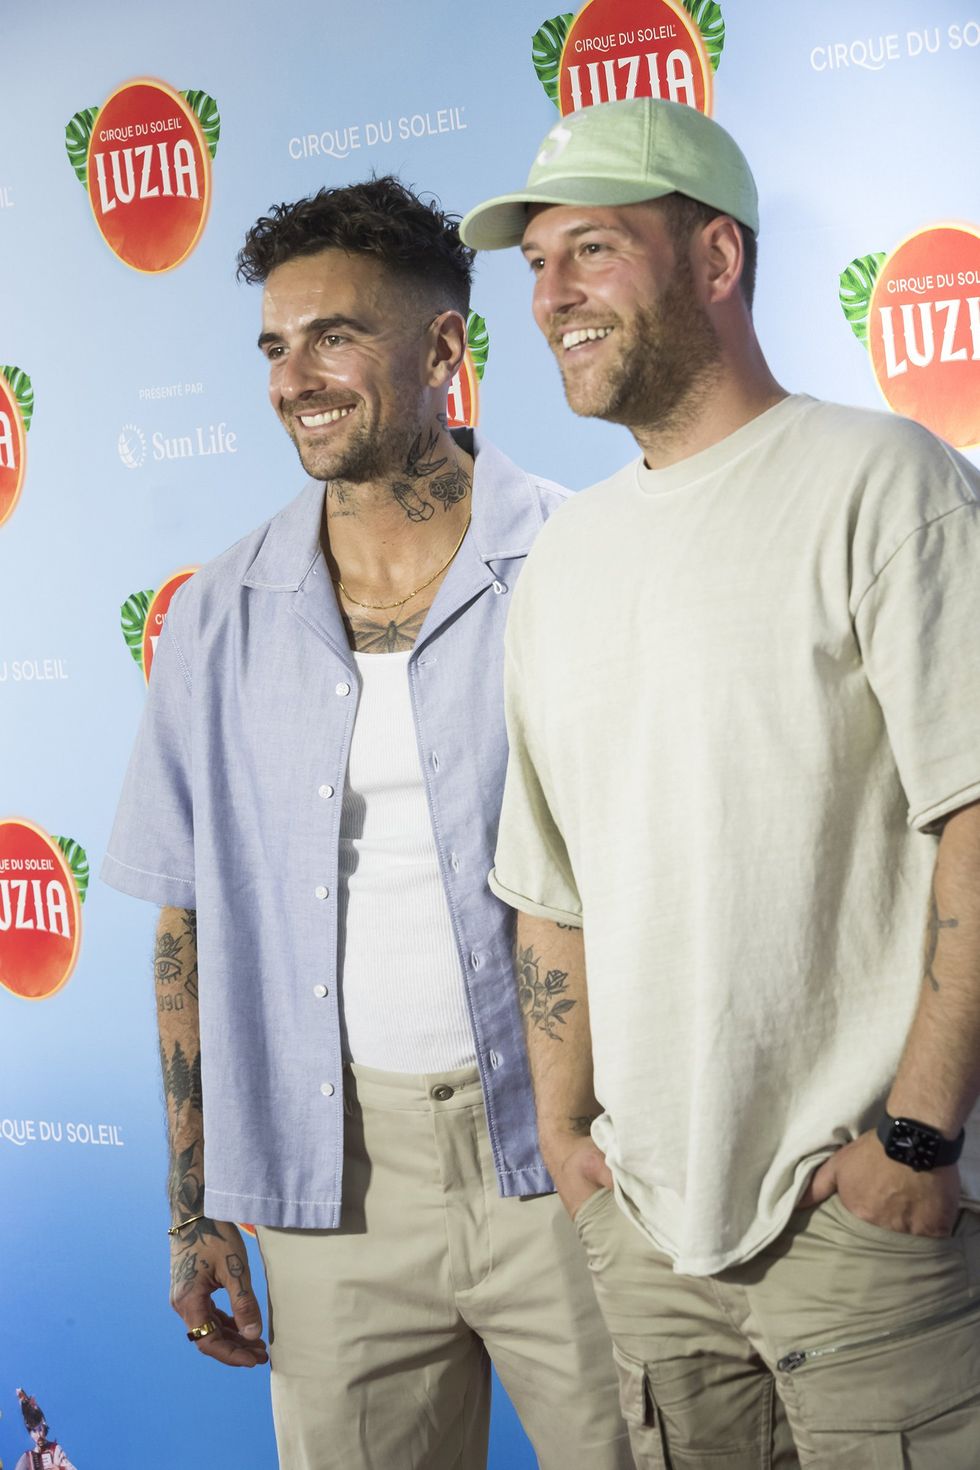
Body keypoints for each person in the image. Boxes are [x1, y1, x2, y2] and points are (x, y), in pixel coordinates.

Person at [459, 98, 980, 1467]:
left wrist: (915, 1141)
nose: (552, 294)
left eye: (590, 250)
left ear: (717, 259)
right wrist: (570, 1143)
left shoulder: (885, 481)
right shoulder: (564, 561)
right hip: (646, 1239)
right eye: (535, 266)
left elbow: (976, 819)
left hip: (855, 1230)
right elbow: (546, 883)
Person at [101, 176, 631, 1470]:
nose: (297, 377)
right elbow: (185, 928)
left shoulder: (585, 559)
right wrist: (196, 1210)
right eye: (276, 346)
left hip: (578, 1155)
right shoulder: (220, 614)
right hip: (329, 1183)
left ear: (445, 346)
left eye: (335, 334)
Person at [15, 1389, 77, 1470]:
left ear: (44, 1427)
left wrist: (59, 1468)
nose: (39, 1435)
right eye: (34, 1431)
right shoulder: (27, 1458)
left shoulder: (55, 1449)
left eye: (40, 1429)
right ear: (30, 1433)